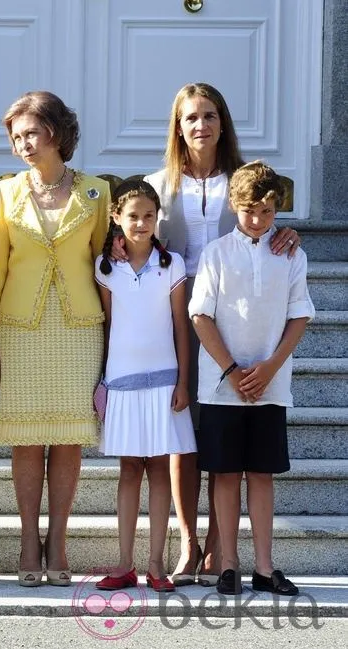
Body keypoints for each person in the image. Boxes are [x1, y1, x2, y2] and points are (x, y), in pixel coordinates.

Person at [141, 83, 301, 586]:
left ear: (222, 122)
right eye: (191, 117)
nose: (201, 125)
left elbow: (263, 228)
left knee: (227, 438)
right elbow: (134, 233)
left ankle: (221, 550)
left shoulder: (245, 182)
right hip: (175, 313)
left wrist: (287, 232)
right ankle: (190, 545)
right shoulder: (157, 183)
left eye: (210, 115)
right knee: (185, 432)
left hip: (233, 315)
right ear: (179, 125)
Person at [0, 91, 111, 587]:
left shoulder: (97, 193)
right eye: (15, 137)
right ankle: (28, 540)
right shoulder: (6, 193)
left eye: (30, 132)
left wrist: (115, 338)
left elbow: (106, 268)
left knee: (69, 437)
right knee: (27, 437)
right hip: (21, 329)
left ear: (55, 131)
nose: (22, 144)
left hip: (79, 328)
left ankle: (59, 540)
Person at [189, 161, 313, 597]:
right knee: (224, 474)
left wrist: (271, 367)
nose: (257, 220)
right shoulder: (217, 253)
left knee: (261, 474)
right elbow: (200, 314)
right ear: (233, 207)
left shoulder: (291, 254)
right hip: (223, 386)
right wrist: (230, 369)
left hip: (271, 385)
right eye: (248, 211)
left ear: (277, 208)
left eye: (266, 211)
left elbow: (300, 315)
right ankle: (229, 565)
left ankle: (265, 567)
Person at [92, 181, 195, 593]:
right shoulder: (105, 268)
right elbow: (109, 326)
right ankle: (124, 564)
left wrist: (183, 381)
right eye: (132, 216)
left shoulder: (173, 265)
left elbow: (180, 327)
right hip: (122, 379)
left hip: (164, 378)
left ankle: (155, 564)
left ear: (158, 219)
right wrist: (102, 382)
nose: (141, 223)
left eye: (149, 216)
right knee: (129, 468)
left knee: (158, 468)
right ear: (117, 218)